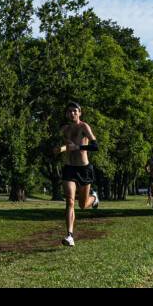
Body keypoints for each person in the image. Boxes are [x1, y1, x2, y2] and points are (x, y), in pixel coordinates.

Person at [53, 102, 99, 246]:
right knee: (70, 201)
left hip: (84, 169)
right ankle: (70, 236)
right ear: (66, 114)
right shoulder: (64, 130)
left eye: (75, 111)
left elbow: (95, 146)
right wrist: (60, 149)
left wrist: (77, 147)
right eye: (70, 111)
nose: (72, 113)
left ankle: (94, 197)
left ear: (79, 113)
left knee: (83, 205)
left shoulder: (84, 127)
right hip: (69, 168)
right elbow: (68, 146)